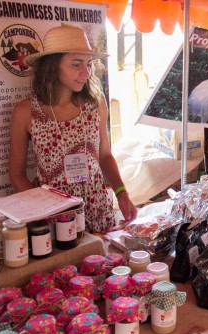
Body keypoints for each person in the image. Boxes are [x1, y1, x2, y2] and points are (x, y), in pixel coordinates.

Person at [9, 25, 138, 233]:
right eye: (76, 64)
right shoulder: (26, 111)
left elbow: (104, 156)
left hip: (98, 210)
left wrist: (122, 193)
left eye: (88, 64)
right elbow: (16, 174)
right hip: (54, 218)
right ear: (52, 66)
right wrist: (43, 214)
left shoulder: (95, 103)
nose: (85, 72)